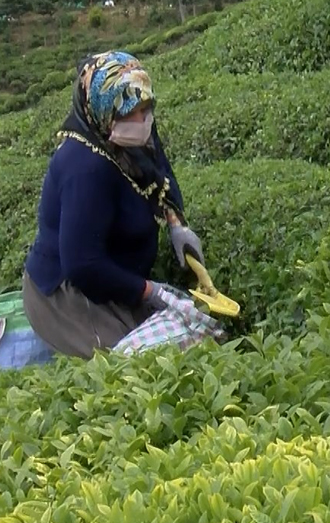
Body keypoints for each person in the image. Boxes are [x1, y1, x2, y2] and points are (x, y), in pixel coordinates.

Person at [21, 50, 205, 359]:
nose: (142, 120)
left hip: (117, 275)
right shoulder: (84, 167)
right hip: (70, 294)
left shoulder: (133, 133)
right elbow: (83, 265)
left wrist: (176, 223)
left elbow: (160, 172)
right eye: (131, 112)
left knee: (188, 340)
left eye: (146, 108)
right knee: (136, 366)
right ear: (104, 111)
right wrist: (151, 291)